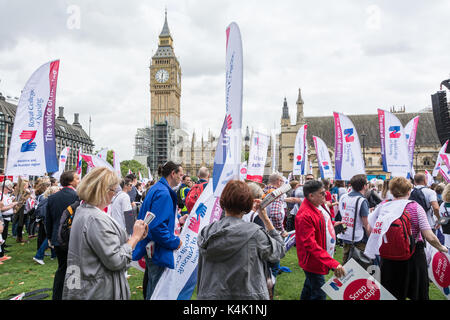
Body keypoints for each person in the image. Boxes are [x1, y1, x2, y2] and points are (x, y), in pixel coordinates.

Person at [62, 167, 148, 300]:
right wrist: (135, 237)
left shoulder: (83, 210)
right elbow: (116, 260)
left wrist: (135, 238)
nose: (114, 194)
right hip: (98, 290)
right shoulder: (95, 219)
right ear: (103, 190)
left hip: (88, 285)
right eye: (113, 190)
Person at [196, 180, 286, 300]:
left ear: (223, 201)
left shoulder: (206, 232)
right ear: (248, 204)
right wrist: (265, 219)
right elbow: (279, 251)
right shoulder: (255, 234)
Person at [364, 177, 448, 300]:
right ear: (409, 191)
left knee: (391, 295)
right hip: (414, 255)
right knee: (419, 294)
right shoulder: (415, 207)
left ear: (391, 191)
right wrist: (441, 247)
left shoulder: (383, 206)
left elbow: (370, 229)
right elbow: (429, 235)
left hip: (389, 256)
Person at [133, 161, 184, 300]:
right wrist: (174, 242)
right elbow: (157, 227)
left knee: (153, 288)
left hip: (152, 247)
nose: (182, 177)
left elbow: (157, 219)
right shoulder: (163, 193)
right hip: (158, 249)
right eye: (180, 174)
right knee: (157, 291)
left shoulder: (158, 189)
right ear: (173, 174)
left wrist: (178, 219)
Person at [295, 180, 346, 300]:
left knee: (309, 288)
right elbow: (310, 244)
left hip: (318, 258)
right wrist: (333, 263)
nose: (325, 195)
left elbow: (321, 222)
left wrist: (334, 224)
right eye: (322, 193)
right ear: (311, 196)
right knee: (320, 294)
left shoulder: (317, 205)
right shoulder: (305, 215)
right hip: (313, 261)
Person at [46, 170, 80, 300]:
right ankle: (71, 296)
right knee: (73, 268)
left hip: (57, 238)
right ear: (70, 181)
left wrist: (50, 237)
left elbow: (48, 220)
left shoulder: (52, 197)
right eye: (77, 178)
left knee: (62, 268)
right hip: (72, 238)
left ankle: (58, 296)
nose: (79, 180)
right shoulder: (77, 197)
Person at [338, 174, 372, 263]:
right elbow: (366, 224)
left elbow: (345, 214)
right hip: (358, 238)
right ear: (364, 186)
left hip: (346, 233)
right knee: (359, 266)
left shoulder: (344, 197)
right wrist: (371, 238)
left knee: (346, 262)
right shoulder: (361, 200)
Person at [33, 186, 59, 265]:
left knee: (52, 237)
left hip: (48, 221)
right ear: (53, 192)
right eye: (57, 190)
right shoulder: (49, 200)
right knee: (49, 238)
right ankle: (38, 256)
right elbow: (45, 212)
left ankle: (54, 255)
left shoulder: (48, 199)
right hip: (48, 221)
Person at [0, 180, 18, 261]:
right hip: (3, 218)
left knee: (4, 236)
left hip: (6, 218)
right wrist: (12, 205)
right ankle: (1, 255)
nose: (10, 189)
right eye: (9, 188)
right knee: (2, 237)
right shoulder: (1, 195)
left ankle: (2, 254)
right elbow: (2, 209)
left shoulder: (5, 195)